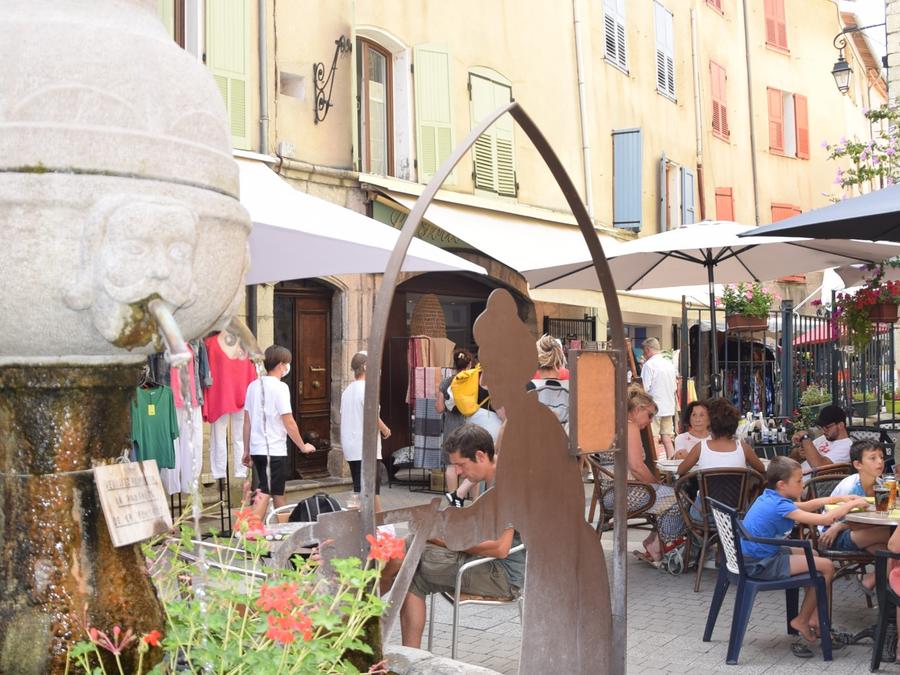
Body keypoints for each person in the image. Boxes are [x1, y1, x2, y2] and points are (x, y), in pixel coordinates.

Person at [397, 425, 525, 649]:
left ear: (480, 456)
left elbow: (500, 548)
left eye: (461, 464)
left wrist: (445, 540)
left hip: (503, 576)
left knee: (409, 568)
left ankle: (402, 649)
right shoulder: (496, 475)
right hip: (494, 565)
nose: (457, 472)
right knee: (410, 549)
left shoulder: (507, 485)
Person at [739, 456, 868, 652]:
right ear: (782, 485)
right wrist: (852, 504)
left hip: (758, 553)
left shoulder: (771, 497)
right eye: (799, 481)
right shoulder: (779, 505)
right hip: (761, 563)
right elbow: (825, 519)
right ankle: (801, 620)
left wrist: (840, 499)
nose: (802, 484)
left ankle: (815, 618)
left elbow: (808, 505)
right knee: (827, 567)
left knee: (814, 554)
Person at [241, 345, 316, 521]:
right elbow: (288, 421)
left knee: (278, 492)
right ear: (281, 365)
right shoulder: (280, 387)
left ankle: (285, 530)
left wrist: (246, 450)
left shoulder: (253, 386)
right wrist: (302, 446)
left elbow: (247, 422)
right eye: (287, 363)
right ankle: (250, 532)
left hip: (258, 449)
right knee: (266, 491)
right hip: (273, 449)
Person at [818, 440, 892, 595]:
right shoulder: (850, 486)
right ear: (858, 464)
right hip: (833, 535)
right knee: (891, 535)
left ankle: (870, 581)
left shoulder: (881, 485)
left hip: (863, 532)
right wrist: (839, 526)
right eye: (873, 458)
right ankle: (870, 581)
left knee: (893, 555)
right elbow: (837, 517)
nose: (880, 462)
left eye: (881, 457)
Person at [626, 387, 688, 564]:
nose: (651, 420)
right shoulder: (630, 426)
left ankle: (654, 542)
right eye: (650, 415)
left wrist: (657, 485)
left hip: (618, 489)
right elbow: (637, 467)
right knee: (680, 497)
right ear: (638, 410)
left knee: (671, 493)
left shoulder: (621, 424)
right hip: (625, 492)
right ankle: (664, 544)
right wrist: (657, 484)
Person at [435, 349, 488, 507]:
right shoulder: (474, 380)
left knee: (452, 465)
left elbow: (439, 408)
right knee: (473, 462)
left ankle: (454, 500)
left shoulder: (446, 382)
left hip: (452, 427)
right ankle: (475, 502)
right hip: (471, 425)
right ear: (470, 363)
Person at [340, 351, 391, 513]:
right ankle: (379, 523)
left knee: (359, 489)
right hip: (366, 447)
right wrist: (385, 429)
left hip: (351, 446)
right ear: (366, 367)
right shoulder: (367, 389)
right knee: (372, 490)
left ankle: (358, 522)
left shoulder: (347, 390)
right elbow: (372, 415)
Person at [677, 398, 766, 476]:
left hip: (708, 491)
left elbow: (680, 471)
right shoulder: (744, 448)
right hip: (738, 491)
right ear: (734, 425)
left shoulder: (700, 447)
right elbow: (762, 469)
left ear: (711, 426)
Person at [640, 337, 678, 459]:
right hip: (669, 405)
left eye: (644, 351)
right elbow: (675, 386)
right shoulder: (669, 363)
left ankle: (656, 465)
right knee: (667, 436)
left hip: (654, 406)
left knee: (653, 438)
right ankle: (672, 463)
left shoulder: (649, 365)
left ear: (648, 350)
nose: (643, 354)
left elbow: (644, 388)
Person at [790, 404, 853, 477]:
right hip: (794, 476)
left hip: (810, 482)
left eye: (827, 427)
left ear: (840, 425)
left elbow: (820, 468)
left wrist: (805, 437)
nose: (823, 431)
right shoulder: (823, 438)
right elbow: (793, 457)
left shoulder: (847, 446)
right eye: (821, 427)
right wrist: (798, 452)